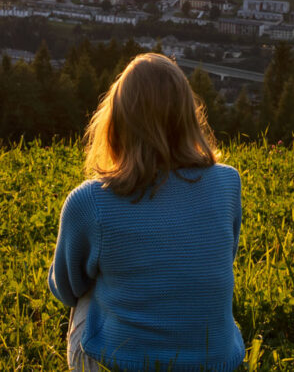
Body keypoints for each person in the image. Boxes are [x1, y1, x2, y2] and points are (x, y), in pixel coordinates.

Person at [48, 52, 244, 372]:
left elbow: (67, 289)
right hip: (215, 361)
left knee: (89, 291)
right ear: (187, 115)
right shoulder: (227, 182)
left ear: (117, 118)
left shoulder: (90, 202)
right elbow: (224, 254)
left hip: (121, 363)